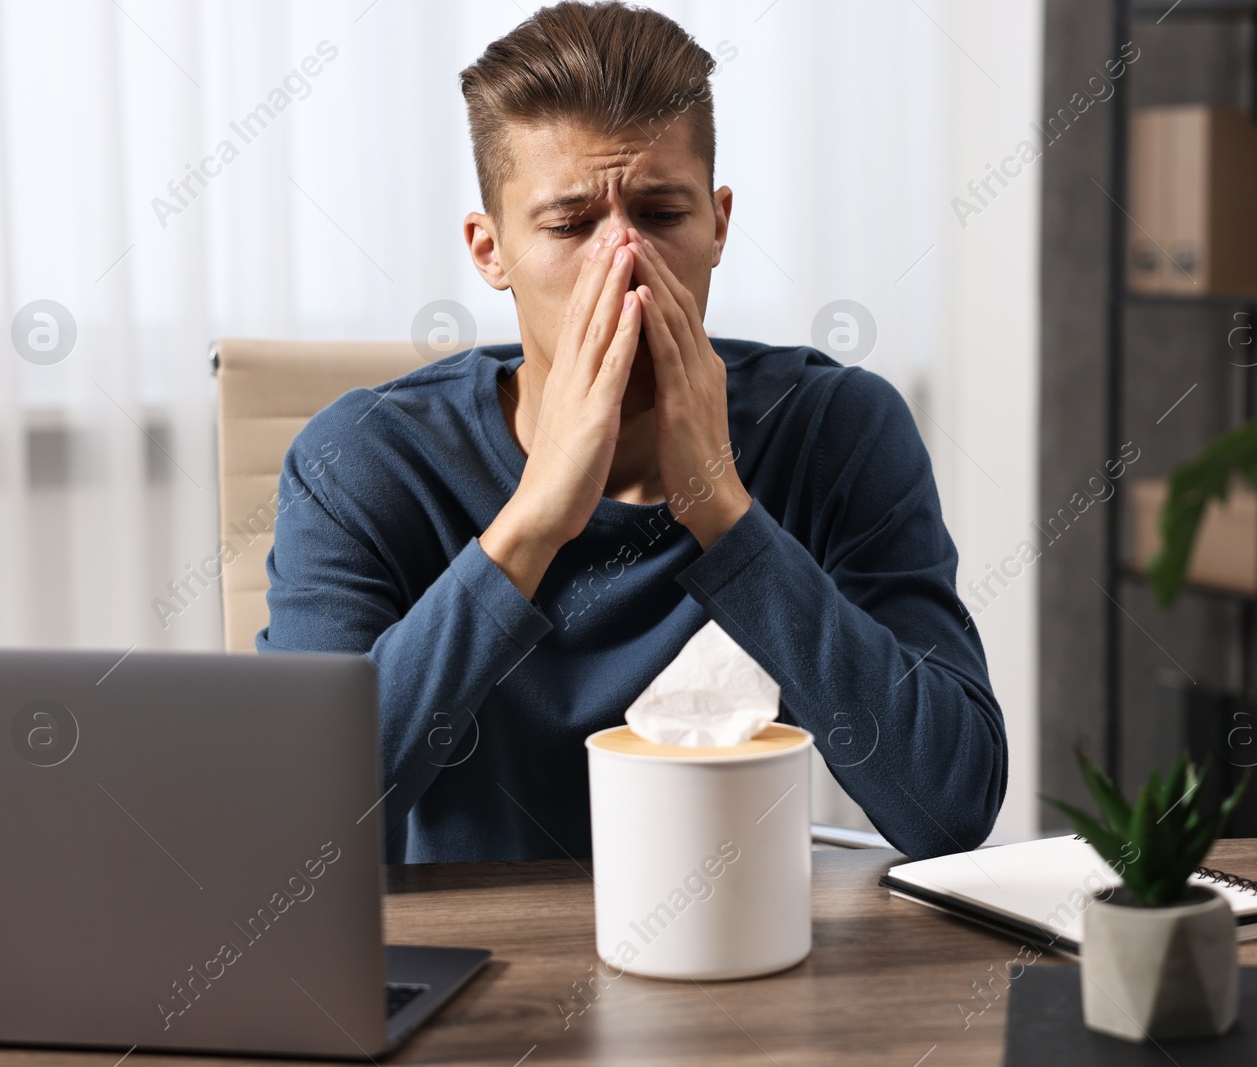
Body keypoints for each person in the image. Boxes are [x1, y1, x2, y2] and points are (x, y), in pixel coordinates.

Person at [259, 1, 1006, 863]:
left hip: (736, 948)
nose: (624, 267)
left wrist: (726, 514)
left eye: (660, 214)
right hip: (481, 972)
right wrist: (533, 521)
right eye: (571, 224)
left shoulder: (837, 429)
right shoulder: (359, 461)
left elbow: (951, 807)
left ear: (719, 224)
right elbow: (298, 836)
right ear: (489, 248)